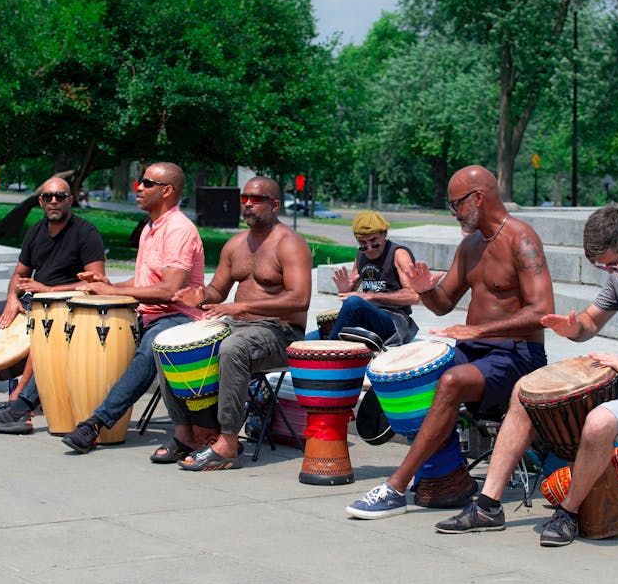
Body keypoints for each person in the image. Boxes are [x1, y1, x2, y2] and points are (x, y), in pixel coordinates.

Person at [434, 204, 618, 547]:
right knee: (526, 391)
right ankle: (488, 506)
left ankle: (567, 513)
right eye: (604, 266)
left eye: (613, 263)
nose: (611, 270)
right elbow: (591, 322)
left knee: (598, 422)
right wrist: (572, 327)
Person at [346, 165, 554, 519]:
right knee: (417, 375)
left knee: (451, 380)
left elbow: (543, 310)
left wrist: (480, 331)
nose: (453, 212)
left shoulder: (522, 239)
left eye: (455, 204)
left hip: (518, 355)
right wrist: (425, 288)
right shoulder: (470, 245)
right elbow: (442, 304)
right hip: (478, 352)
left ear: (478, 198)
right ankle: (447, 477)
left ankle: (395, 486)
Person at [159, 176, 312, 470]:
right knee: (167, 343)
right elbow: (217, 291)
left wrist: (242, 305)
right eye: (245, 199)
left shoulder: (290, 244)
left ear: (275, 204)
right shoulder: (235, 245)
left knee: (232, 348)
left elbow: (300, 299)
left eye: (256, 199)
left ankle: (228, 443)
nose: (248, 205)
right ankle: (184, 434)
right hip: (240, 327)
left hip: (280, 333)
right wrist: (199, 296)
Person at [57, 162, 206, 450]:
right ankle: (25, 404)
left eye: (147, 183)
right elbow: (143, 281)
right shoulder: (152, 227)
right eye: (140, 181)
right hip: (148, 315)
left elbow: (170, 290)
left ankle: (95, 424)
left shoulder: (178, 230)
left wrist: (111, 291)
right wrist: (107, 285)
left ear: (167, 191)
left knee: (152, 345)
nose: (138, 187)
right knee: (76, 336)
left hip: (178, 318)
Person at [0, 177, 105, 419]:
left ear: (70, 200)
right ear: (40, 201)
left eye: (60, 196)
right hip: (30, 302)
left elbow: (98, 282)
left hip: (65, 308)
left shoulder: (86, 233)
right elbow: (19, 273)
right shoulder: (36, 230)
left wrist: (47, 290)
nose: (53, 201)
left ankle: (20, 396)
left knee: (42, 327)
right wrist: (13, 298)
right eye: (48, 197)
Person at [327, 211, 418, 345]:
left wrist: (371, 296)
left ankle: (330, 354)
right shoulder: (360, 255)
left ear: (384, 234)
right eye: (363, 243)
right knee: (313, 337)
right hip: (369, 318)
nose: (369, 248)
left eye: (374, 242)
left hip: (395, 320)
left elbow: (414, 296)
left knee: (354, 303)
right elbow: (350, 293)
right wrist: (345, 290)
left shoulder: (399, 254)